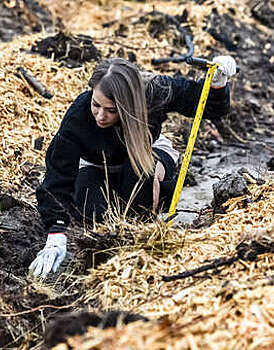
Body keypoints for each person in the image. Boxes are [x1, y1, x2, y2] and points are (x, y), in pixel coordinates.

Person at [29, 56, 237, 277]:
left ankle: (151, 210)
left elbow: (209, 106)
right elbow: (58, 176)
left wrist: (217, 82)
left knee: (140, 188)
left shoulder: (154, 91)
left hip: (148, 151)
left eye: (110, 110)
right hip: (99, 162)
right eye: (96, 105)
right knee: (92, 210)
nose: (100, 116)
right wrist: (56, 233)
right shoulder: (78, 117)